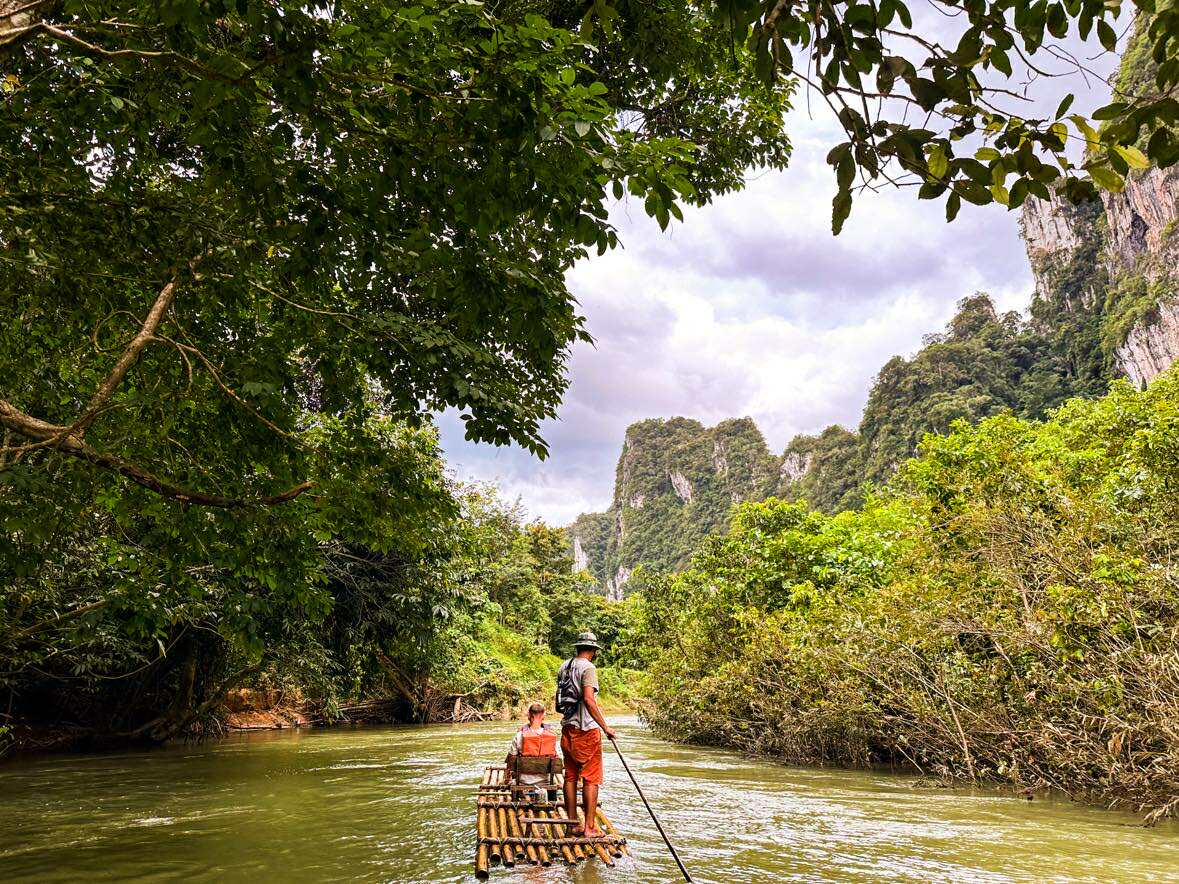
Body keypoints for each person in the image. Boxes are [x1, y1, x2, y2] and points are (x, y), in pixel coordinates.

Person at [555, 631, 616, 838]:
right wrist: (606, 727)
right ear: (593, 651)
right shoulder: (589, 668)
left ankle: (572, 824)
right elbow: (589, 700)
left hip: (567, 730)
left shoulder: (564, 667)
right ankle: (589, 828)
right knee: (591, 779)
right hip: (586, 731)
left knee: (570, 776)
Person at [504, 702, 559, 802]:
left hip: (523, 780)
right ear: (543, 716)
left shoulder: (519, 735)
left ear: (529, 715)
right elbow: (556, 759)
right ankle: (552, 805)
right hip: (546, 780)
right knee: (554, 780)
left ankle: (517, 804)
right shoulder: (552, 735)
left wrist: (507, 777)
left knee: (512, 776)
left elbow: (511, 760)